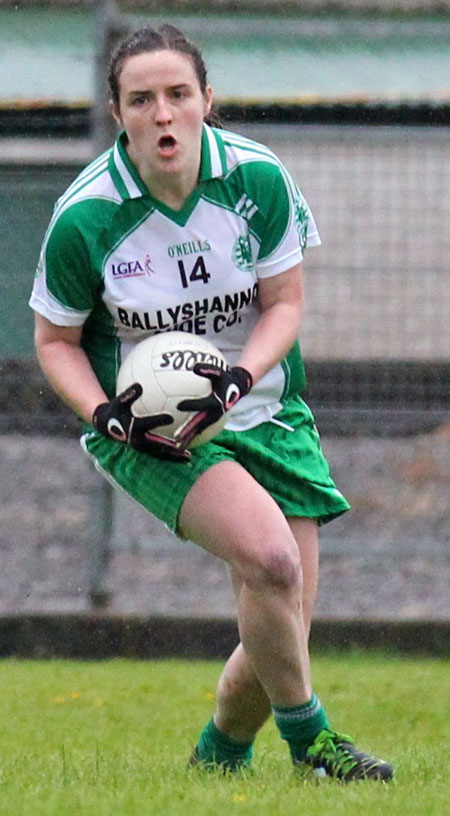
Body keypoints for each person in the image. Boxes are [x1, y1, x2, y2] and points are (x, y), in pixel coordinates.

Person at [29, 23, 393, 781]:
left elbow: (285, 302)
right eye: (141, 99)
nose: (162, 114)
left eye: (177, 95)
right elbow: (55, 342)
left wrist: (239, 377)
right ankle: (315, 749)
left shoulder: (256, 180)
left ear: (206, 101)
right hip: (154, 432)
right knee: (270, 559)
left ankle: (219, 753)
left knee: (280, 626)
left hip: (264, 407)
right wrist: (106, 416)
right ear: (117, 111)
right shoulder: (86, 216)